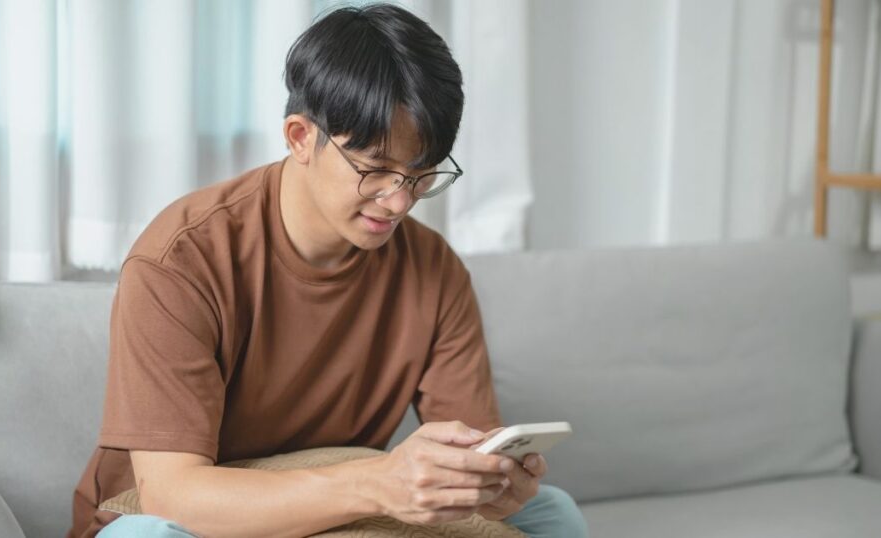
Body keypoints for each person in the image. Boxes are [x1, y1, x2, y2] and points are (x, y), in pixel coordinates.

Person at [68, 4, 589, 537]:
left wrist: (494, 485)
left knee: (550, 512)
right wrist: (377, 483)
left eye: (421, 174)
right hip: (182, 515)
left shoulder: (434, 269)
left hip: (334, 504)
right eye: (375, 169)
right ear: (300, 137)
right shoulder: (182, 259)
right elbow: (171, 493)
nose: (399, 201)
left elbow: (469, 453)